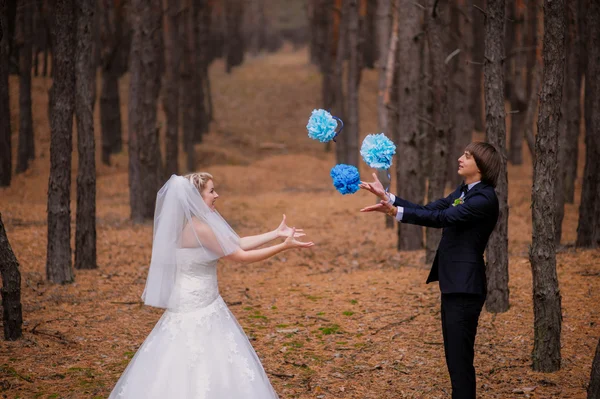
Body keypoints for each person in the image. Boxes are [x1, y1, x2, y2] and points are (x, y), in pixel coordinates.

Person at [109, 173, 314, 399]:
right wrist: (283, 247)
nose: (217, 195)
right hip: (197, 304)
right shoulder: (200, 229)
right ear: (197, 198)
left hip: (204, 300)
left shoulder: (200, 224)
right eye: (211, 191)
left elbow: (238, 243)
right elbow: (240, 256)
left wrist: (275, 234)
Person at [360, 142, 501, 399]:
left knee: (460, 360)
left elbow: (442, 218)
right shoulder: (465, 191)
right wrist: (388, 198)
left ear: (481, 166)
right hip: (454, 284)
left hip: (466, 287)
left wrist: (394, 211)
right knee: (454, 358)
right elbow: (430, 209)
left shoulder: (484, 198)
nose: (460, 158)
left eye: (467, 156)